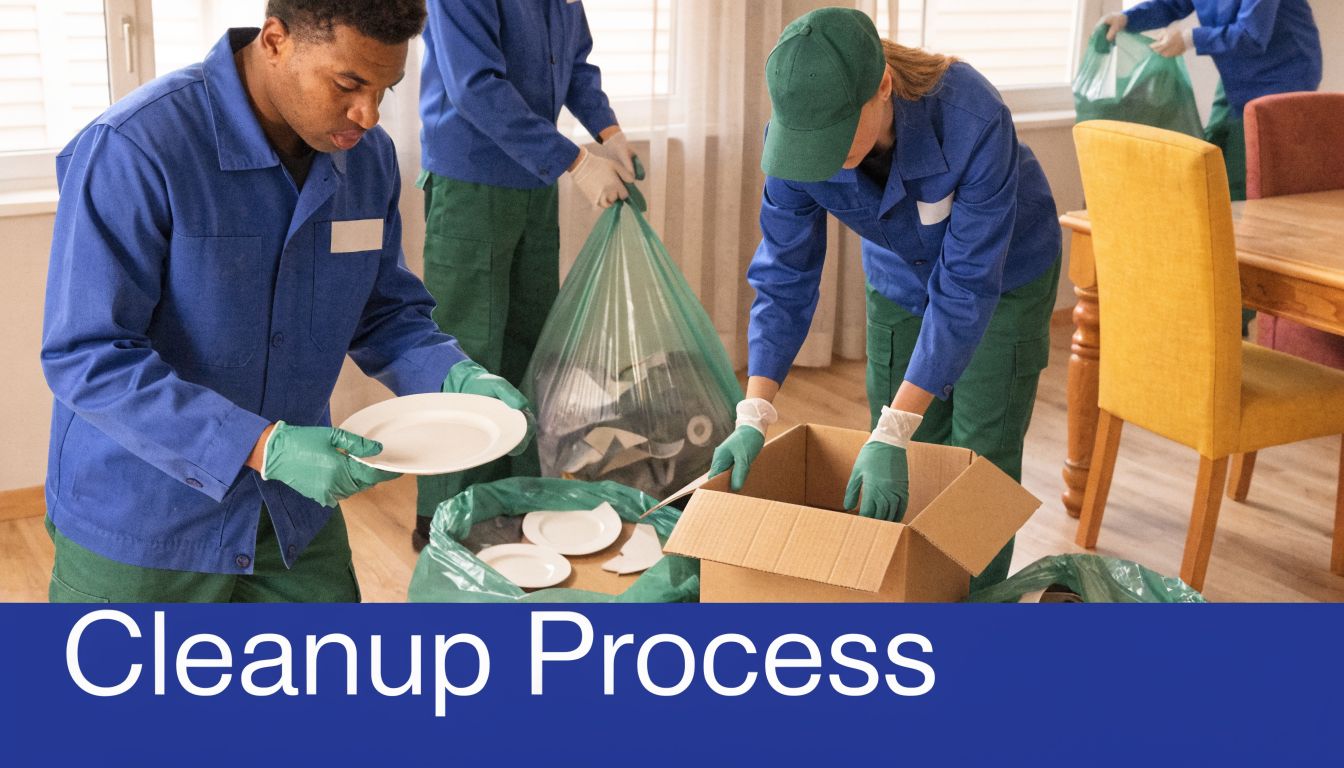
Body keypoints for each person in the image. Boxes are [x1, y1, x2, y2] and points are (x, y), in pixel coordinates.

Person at [40, 0, 529, 602]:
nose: (369, 113)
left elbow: (383, 310)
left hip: (291, 508)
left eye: (386, 89)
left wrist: (453, 376)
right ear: (275, 40)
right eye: (348, 84)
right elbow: (86, 356)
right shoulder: (136, 147)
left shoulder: (366, 158)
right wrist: (261, 446)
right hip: (145, 518)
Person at [708, 8, 1060, 590]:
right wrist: (756, 411)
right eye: (810, 140)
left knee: (980, 456)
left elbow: (968, 283)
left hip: (1003, 277)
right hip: (898, 275)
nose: (823, 155)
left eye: (837, 133)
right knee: (900, 444)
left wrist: (897, 426)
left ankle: (975, 615)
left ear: (883, 87)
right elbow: (785, 274)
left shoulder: (973, 118)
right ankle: (907, 597)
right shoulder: (796, 145)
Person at [412, 0, 639, 551]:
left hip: (535, 177)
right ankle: (444, 513)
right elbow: (475, 87)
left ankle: (512, 495)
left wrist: (608, 131)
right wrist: (576, 162)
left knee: (530, 342)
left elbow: (575, 65)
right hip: (471, 180)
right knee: (468, 350)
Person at [1104, 0, 1322, 201]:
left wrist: (1190, 38)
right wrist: (1127, 18)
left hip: (1283, 72)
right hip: (1237, 72)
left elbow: (1252, 35)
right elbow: (1173, 4)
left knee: (1248, 165)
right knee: (1213, 155)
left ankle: (1246, 224)